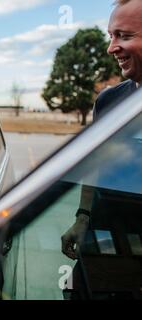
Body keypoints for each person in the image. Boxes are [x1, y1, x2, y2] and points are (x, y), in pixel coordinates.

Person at [62, 0, 142, 260]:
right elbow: (96, 162)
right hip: (106, 242)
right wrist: (83, 217)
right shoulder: (109, 101)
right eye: (111, 36)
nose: (111, 48)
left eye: (124, 36)